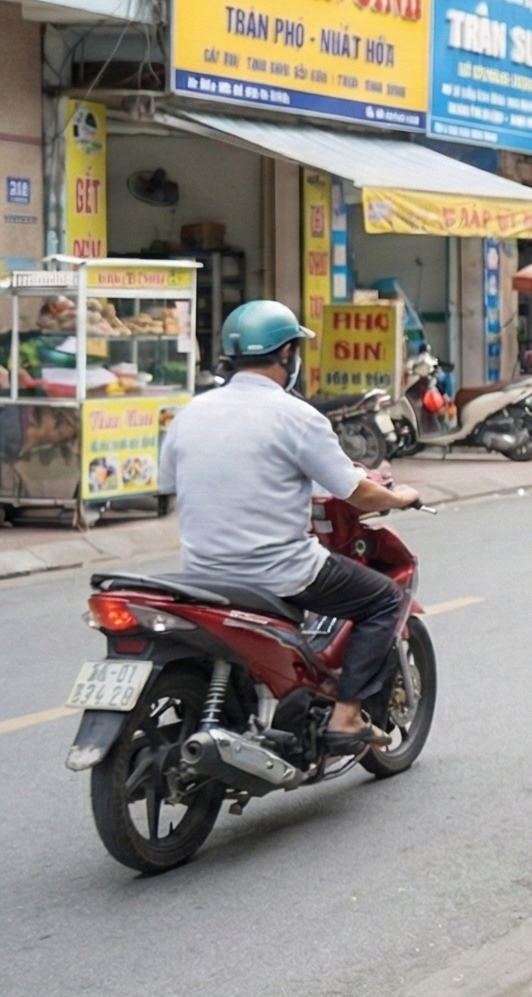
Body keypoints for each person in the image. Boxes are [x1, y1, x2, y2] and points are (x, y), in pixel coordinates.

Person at [156, 301, 422, 754]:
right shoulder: (296, 416)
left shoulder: (190, 413)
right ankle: (346, 715)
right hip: (280, 572)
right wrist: (400, 497)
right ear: (286, 355)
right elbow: (356, 492)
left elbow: (170, 485)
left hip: (201, 574)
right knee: (383, 599)